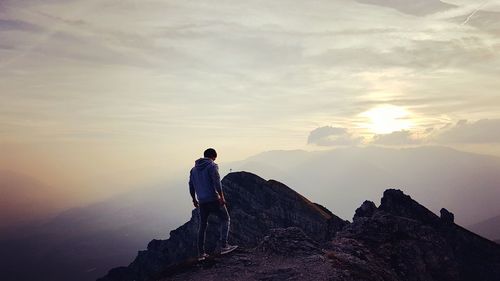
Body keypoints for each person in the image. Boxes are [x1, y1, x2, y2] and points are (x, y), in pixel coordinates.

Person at [189, 148, 237, 260]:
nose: (215, 159)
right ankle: (224, 246)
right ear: (213, 156)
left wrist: (194, 199)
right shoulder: (212, 166)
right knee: (225, 219)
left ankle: (201, 254)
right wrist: (221, 197)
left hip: (202, 201)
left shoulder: (193, 170)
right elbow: (217, 182)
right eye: (215, 157)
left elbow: (191, 186)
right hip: (213, 199)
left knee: (202, 226)